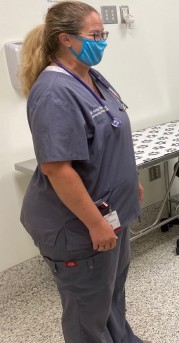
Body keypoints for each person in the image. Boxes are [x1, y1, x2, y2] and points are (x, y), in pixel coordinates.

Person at [19, 2, 147, 342]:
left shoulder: (91, 77)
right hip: (78, 226)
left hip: (113, 212)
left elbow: (113, 130)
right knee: (86, 313)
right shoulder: (53, 92)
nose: (103, 41)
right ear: (65, 39)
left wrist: (130, 179)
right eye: (95, 35)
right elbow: (57, 169)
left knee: (111, 295)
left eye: (103, 34)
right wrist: (95, 223)